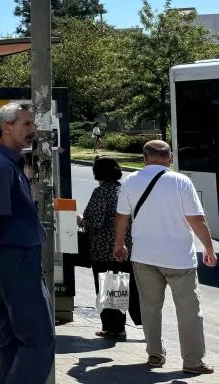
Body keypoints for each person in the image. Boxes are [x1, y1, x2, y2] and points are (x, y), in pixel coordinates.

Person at [0, 101, 52, 384]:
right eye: (26, 124)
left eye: (33, 124)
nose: (33, 130)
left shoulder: (9, 164)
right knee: (39, 339)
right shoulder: (1, 168)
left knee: (14, 335)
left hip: (19, 257)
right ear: (6, 128)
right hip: (16, 258)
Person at [113, 140, 216, 374]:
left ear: (144, 157)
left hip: (144, 256)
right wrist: (209, 249)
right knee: (189, 311)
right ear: (170, 158)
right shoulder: (181, 181)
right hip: (179, 258)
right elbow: (196, 219)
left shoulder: (130, 181)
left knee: (150, 307)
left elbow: (121, 217)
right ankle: (193, 362)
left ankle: (155, 355)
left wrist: (119, 245)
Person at [80, 156, 140, 338]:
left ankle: (112, 328)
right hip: (124, 247)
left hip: (103, 248)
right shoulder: (124, 190)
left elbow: (95, 222)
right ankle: (118, 326)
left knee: (107, 289)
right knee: (118, 288)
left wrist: (82, 221)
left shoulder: (101, 192)